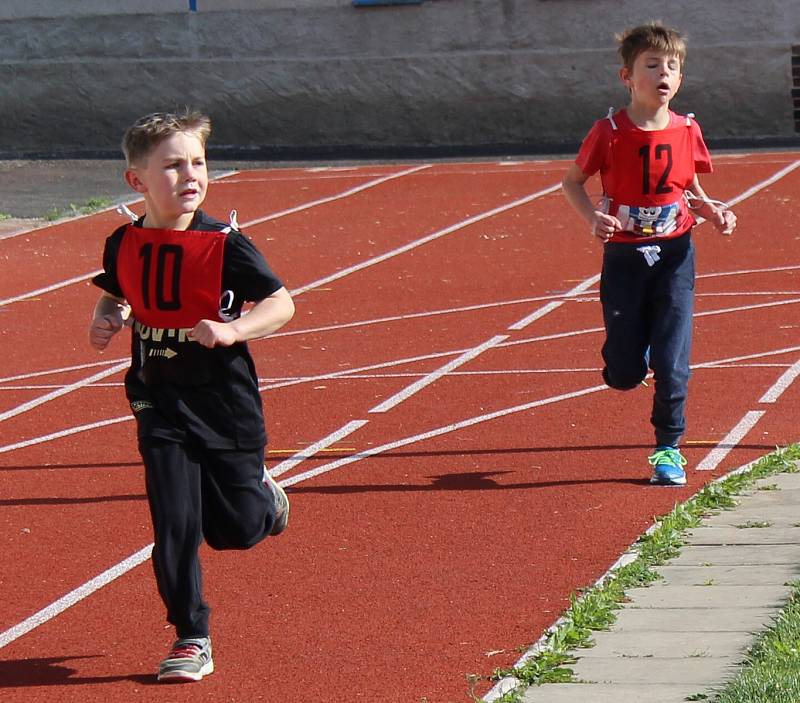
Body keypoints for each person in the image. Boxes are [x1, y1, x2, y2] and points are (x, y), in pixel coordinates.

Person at [88, 109, 295, 681]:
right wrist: (106, 319)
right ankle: (191, 635)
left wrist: (233, 329)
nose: (191, 176)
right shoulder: (123, 241)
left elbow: (282, 303)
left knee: (234, 529)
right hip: (158, 399)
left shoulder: (225, 244)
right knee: (174, 521)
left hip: (225, 403)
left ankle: (263, 499)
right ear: (138, 181)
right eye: (174, 165)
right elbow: (115, 293)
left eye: (198, 163)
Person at [561, 22, 736, 486]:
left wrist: (711, 209)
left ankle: (668, 449)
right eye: (652, 65)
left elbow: (690, 185)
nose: (664, 73)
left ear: (679, 79)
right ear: (627, 77)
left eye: (672, 67)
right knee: (622, 373)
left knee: (674, 360)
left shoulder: (688, 129)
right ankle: (628, 360)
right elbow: (572, 182)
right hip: (624, 258)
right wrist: (592, 219)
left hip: (677, 254)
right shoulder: (610, 131)